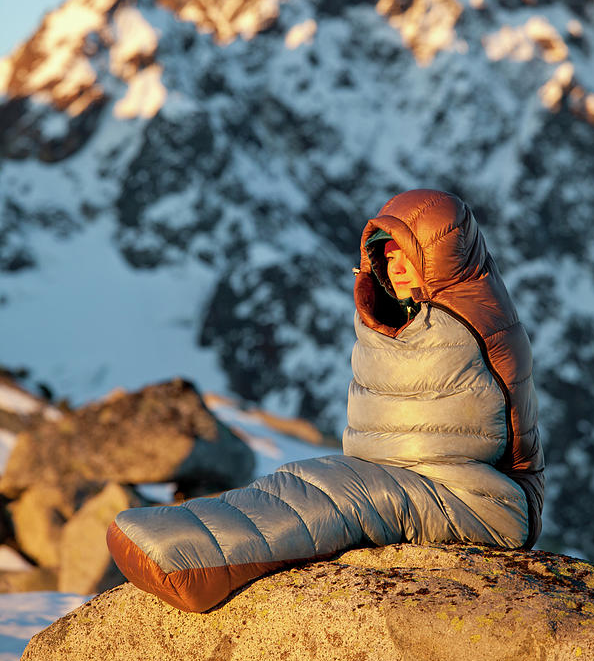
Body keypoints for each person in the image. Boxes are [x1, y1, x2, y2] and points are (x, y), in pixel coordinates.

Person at [107, 189, 544, 613]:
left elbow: (501, 436)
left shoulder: (485, 324)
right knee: (304, 480)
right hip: (409, 474)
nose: (395, 267)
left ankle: (196, 566)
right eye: (387, 255)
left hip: (482, 499)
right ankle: (182, 541)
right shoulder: (410, 316)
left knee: (341, 498)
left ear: (443, 254)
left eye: (406, 254)